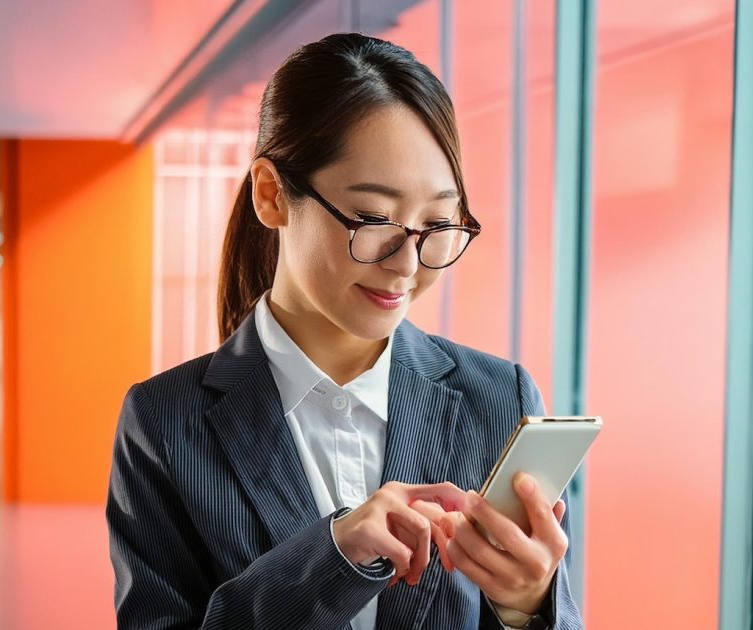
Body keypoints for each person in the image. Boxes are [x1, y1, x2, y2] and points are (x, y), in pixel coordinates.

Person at [107, 32, 583, 630]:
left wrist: (529, 604)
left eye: (437, 223)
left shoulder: (498, 399)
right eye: (373, 218)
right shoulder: (164, 423)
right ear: (272, 195)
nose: (407, 265)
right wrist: (331, 561)